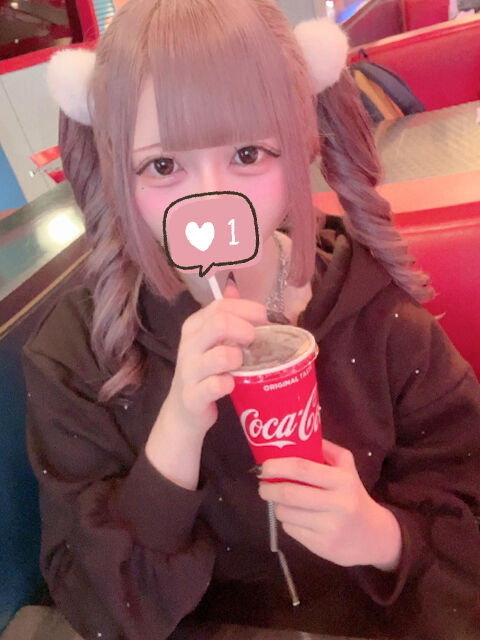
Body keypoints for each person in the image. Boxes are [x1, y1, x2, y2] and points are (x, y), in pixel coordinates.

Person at [22, 1, 480, 639]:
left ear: (301, 145)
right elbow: (97, 610)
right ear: (117, 172)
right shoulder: (76, 352)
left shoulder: (382, 315)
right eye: (162, 166)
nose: (210, 198)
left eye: (247, 153)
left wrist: (384, 537)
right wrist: (176, 436)